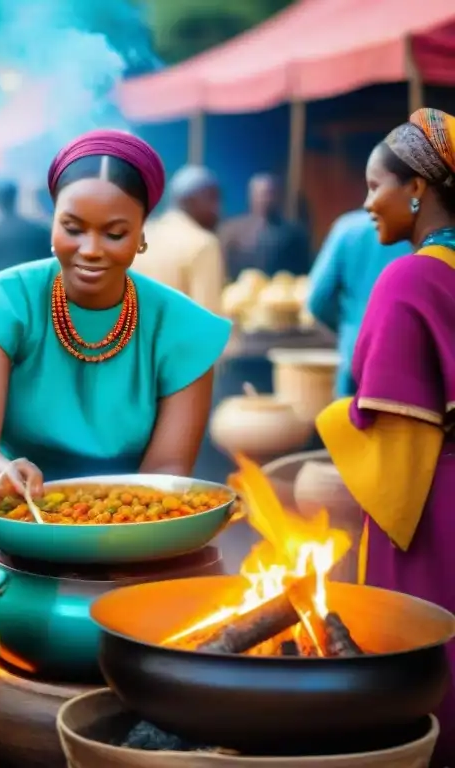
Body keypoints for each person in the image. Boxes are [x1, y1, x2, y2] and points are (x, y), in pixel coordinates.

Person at [0, 130, 232, 560]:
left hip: (125, 530)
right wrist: (2, 470)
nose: (90, 250)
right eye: (73, 228)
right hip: (4, 523)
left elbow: (168, 469)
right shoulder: (1, 301)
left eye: (115, 233)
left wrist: (112, 530)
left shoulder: (183, 328)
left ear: (141, 232)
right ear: (53, 221)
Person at [315, 108, 455, 768]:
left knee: (428, 656)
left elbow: (385, 420)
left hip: (434, 501)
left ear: (419, 188)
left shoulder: (409, 278)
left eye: (376, 185)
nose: (367, 202)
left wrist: (331, 420)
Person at [306, 208, 406, 396]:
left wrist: (349, 326)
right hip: (407, 361)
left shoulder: (348, 228)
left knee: (348, 422)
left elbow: (317, 299)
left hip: (355, 352)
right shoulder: (421, 233)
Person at [133, 165, 225, 313]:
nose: (218, 209)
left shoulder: (143, 234)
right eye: (212, 199)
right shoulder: (203, 244)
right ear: (190, 201)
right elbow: (205, 317)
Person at [219, 173, 311, 279]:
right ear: (251, 196)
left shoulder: (294, 234)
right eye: (261, 194)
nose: (265, 199)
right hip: (239, 292)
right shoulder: (232, 231)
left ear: (278, 196)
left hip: (279, 292)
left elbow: (303, 270)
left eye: (269, 193)